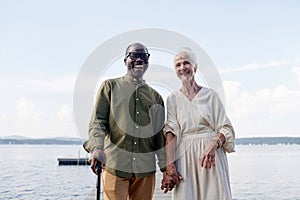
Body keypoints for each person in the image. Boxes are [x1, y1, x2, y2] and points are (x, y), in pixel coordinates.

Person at [83, 43, 166, 200]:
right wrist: (97, 147)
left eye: (143, 56)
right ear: (125, 60)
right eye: (134, 55)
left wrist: (166, 168)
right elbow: (98, 122)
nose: (139, 59)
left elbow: (159, 137)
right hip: (115, 165)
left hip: (145, 170)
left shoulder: (156, 97)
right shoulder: (109, 87)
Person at [161, 47, 235, 200]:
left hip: (211, 156)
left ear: (195, 67)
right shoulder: (172, 99)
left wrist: (213, 144)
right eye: (178, 65)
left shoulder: (211, 95)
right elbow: (170, 131)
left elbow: (226, 127)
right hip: (185, 157)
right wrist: (170, 166)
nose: (182, 68)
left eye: (186, 63)